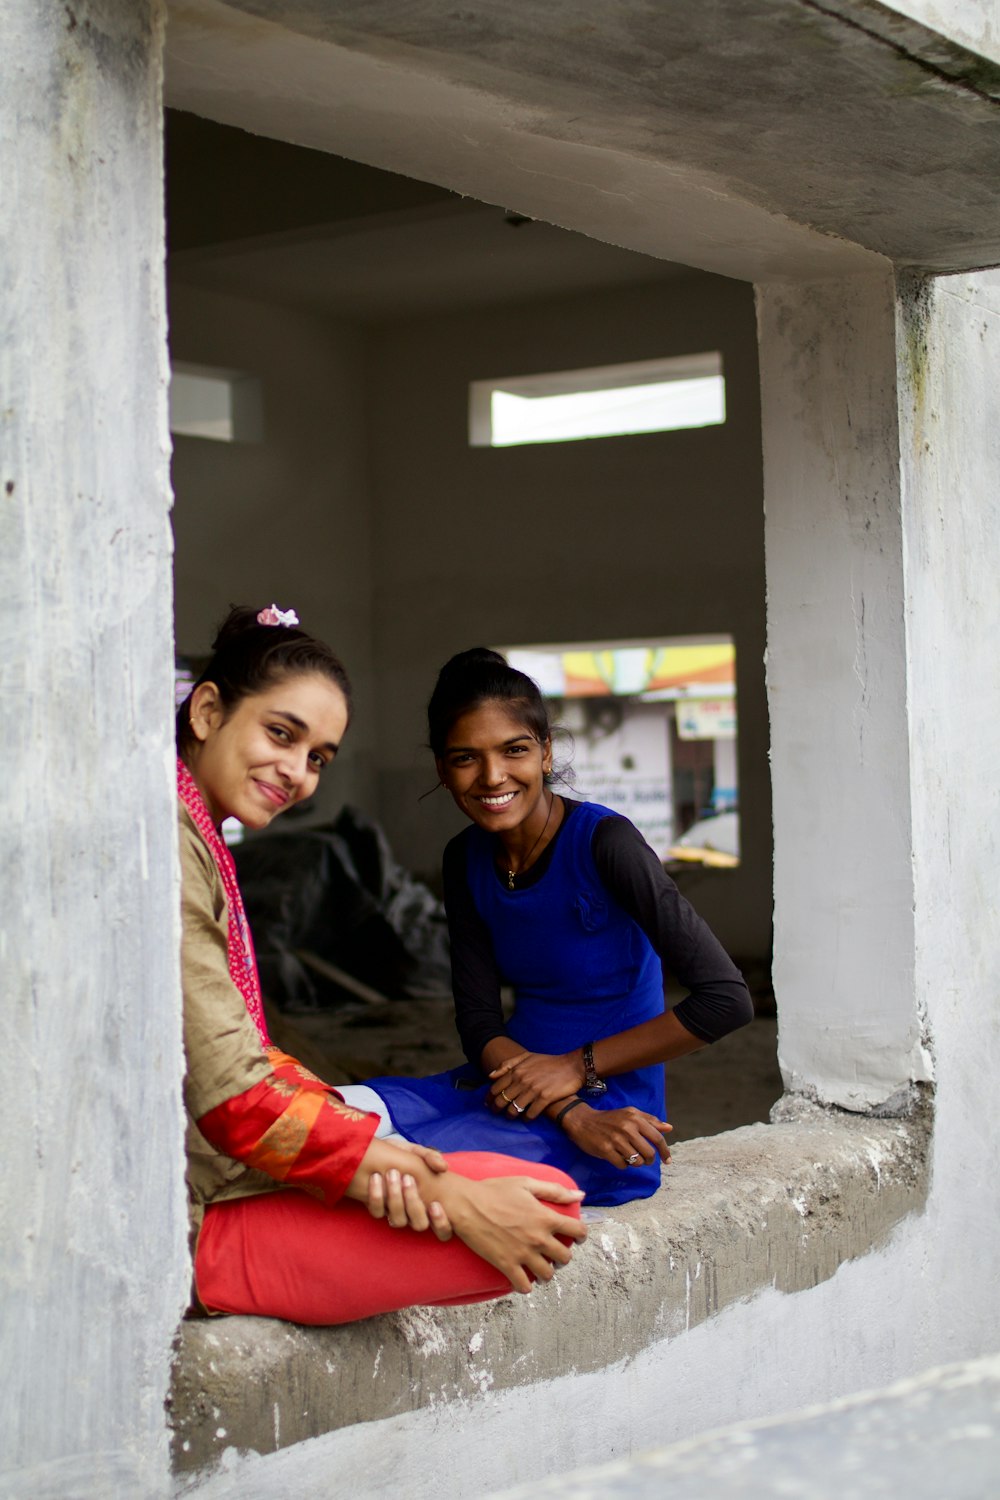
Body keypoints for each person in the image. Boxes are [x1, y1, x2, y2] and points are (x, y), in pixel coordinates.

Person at [177, 607, 586, 1326]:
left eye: (318, 758)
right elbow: (235, 1099)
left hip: (226, 1166)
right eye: (282, 733)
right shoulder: (166, 843)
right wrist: (431, 1188)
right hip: (183, 1215)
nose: (297, 774)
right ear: (208, 710)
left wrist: (378, 1154)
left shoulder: (198, 831)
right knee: (526, 1217)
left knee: (533, 1190)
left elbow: (246, 1055)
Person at [365, 649, 754, 1207]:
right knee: (336, 1115)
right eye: (465, 758)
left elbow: (727, 1000)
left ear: (546, 753)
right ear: (442, 770)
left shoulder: (606, 844)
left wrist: (576, 1069)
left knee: (401, 1171)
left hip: (612, 1114)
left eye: (515, 750)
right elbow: (478, 1022)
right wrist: (562, 1104)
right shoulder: (465, 858)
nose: (493, 776)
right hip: (513, 1091)